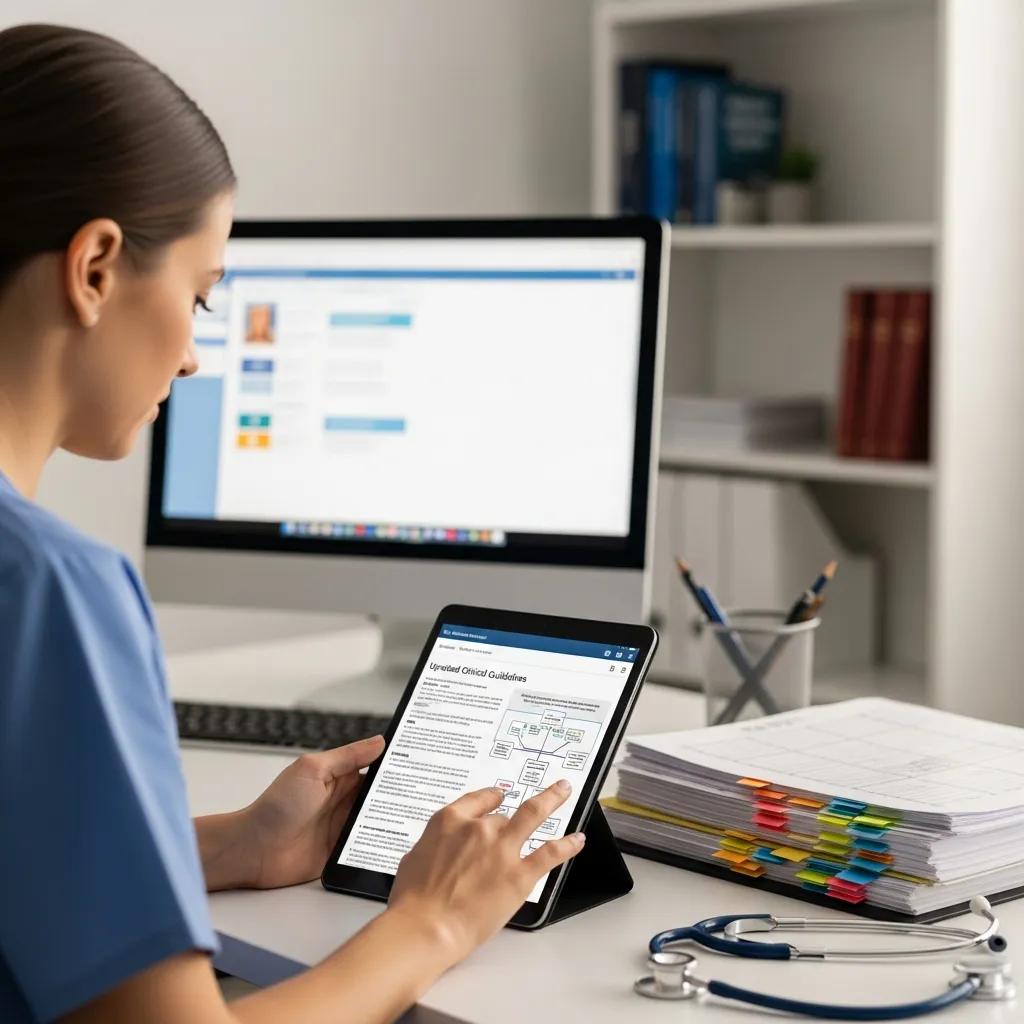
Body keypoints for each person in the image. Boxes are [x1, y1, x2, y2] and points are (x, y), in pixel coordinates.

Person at [0, 24, 583, 1024]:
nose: (191, 357)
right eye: (199, 294)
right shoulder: (51, 588)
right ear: (95, 266)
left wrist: (231, 844)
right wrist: (431, 923)